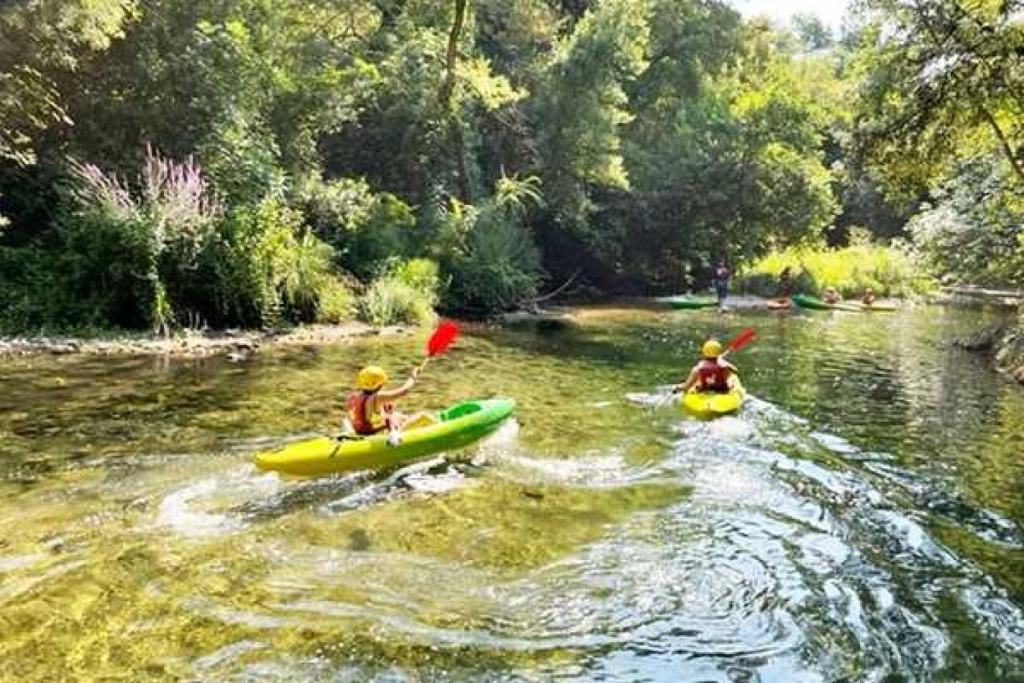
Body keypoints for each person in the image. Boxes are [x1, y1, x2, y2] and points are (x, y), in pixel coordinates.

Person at [345, 365, 428, 442]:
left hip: (360, 432)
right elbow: (404, 391)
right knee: (424, 416)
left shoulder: (352, 397)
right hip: (374, 435)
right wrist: (413, 376)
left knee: (397, 415)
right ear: (380, 383)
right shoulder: (377, 397)